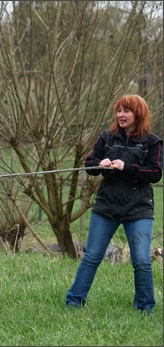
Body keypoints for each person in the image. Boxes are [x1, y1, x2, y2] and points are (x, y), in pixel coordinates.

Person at [65, 94, 163, 315]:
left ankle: (145, 308)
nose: (120, 115)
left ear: (138, 114)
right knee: (92, 256)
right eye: (119, 110)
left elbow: (155, 173)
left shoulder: (153, 142)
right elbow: (89, 165)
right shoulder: (106, 138)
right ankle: (73, 302)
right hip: (106, 207)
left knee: (141, 261)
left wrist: (126, 167)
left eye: (126, 111)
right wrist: (100, 163)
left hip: (138, 209)